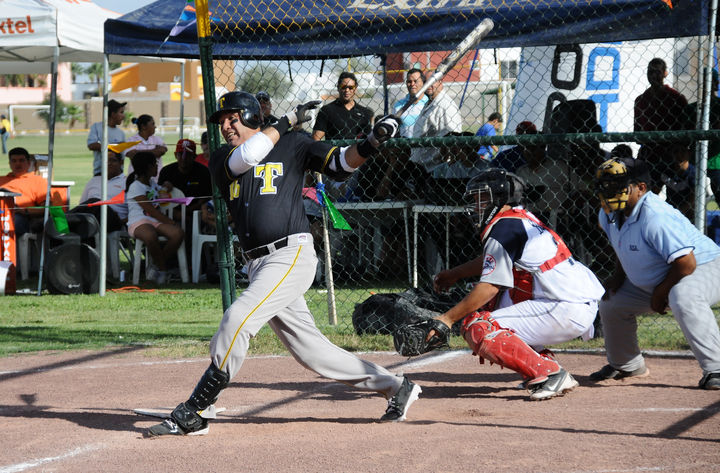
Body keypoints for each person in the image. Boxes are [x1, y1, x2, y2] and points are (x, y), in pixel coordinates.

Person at [147, 91, 420, 436]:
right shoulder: (223, 157)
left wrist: (372, 141)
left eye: (233, 118)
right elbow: (250, 155)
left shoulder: (293, 144)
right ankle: (396, 386)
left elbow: (341, 165)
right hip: (258, 264)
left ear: (251, 116)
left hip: (289, 254)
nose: (226, 126)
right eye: (222, 121)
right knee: (312, 352)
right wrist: (288, 119)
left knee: (237, 320)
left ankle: (197, 410)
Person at [427, 168, 604, 400]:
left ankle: (550, 373)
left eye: (482, 197)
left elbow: (490, 286)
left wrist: (447, 319)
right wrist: (456, 273)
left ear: (499, 198)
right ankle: (541, 364)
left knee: (478, 326)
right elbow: (494, 259)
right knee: (492, 306)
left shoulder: (503, 227)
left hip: (564, 306)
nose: (476, 205)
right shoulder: (517, 219)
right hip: (567, 301)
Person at [590, 157, 720, 390]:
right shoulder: (608, 213)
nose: (609, 191)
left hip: (705, 266)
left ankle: (716, 368)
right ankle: (627, 365)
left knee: (683, 296)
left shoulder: (654, 216)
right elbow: (622, 246)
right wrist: (618, 277)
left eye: (618, 185)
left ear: (641, 188)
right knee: (612, 302)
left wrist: (661, 292)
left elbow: (686, 263)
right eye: (605, 185)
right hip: (667, 276)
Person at [125, 151, 184, 285]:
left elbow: (161, 191)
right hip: (138, 221)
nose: (157, 167)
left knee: (178, 233)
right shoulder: (135, 187)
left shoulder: (152, 183)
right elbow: (150, 210)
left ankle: (156, 266)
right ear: (148, 167)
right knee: (150, 235)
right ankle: (162, 270)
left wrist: (166, 186)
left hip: (154, 222)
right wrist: (169, 221)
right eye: (155, 164)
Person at [634, 58, 688, 192]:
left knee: (676, 196)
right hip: (650, 156)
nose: (653, 76)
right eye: (650, 72)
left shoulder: (676, 99)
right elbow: (637, 132)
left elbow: (686, 130)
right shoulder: (640, 101)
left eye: (657, 72)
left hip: (672, 157)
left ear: (665, 73)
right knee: (646, 194)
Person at [685, 68, 720, 206]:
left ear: (716, 84)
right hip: (696, 159)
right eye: (705, 80)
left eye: (711, 81)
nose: (708, 84)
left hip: (716, 161)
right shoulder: (692, 109)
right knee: (690, 198)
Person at [0, 147, 54, 236]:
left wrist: (24, 211)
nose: (18, 164)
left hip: (20, 216)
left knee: (13, 221)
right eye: (14, 161)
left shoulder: (37, 181)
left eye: (21, 160)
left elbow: (47, 208)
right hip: (2, 212)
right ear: (9, 164)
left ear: (28, 163)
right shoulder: (2, 180)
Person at [75, 145, 128, 233]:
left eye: (113, 160)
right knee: (91, 205)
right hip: (90, 218)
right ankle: (59, 225)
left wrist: (121, 221)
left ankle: (63, 222)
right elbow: (82, 205)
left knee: (97, 203)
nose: (109, 163)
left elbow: (135, 212)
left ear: (121, 162)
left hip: (114, 219)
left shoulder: (127, 182)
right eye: (106, 161)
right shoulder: (94, 180)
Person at [159, 138, 212, 224]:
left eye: (188, 155)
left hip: (196, 213)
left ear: (194, 156)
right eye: (180, 154)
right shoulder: (166, 172)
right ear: (175, 155)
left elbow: (206, 197)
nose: (184, 158)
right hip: (171, 212)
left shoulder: (204, 172)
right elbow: (159, 197)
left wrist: (187, 211)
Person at [312, 71, 374, 141]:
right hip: (334, 148)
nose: (347, 90)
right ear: (338, 88)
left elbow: (369, 140)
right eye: (343, 87)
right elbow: (316, 138)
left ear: (355, 89)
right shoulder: (326, 110)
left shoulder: (365, 113)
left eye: (350, 87)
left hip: (357, 148)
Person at [87, 99, 126, 176]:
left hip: (118, 174)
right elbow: (92, 145)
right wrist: (115, 147)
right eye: (121, 112)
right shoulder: (97, 127)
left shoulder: (121, 133)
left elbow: (122, 156)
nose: (123, 116)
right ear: (113, 114)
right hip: (100, 172)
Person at [126, 114, 168, 179]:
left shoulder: (157, 139)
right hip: (137, 179)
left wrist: (139, 152)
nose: (155, 127)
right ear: (143, 126)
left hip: (156, 179)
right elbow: (132, 155)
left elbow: (162, 151)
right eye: (152, 124)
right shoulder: (131, 140)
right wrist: (155, 150)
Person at [392, 68, 429, 138]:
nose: (412, 84)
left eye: (415, 81)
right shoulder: (398, 105)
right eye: (409, 81)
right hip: (405, 144)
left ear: (423, 83)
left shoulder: (429, 104)